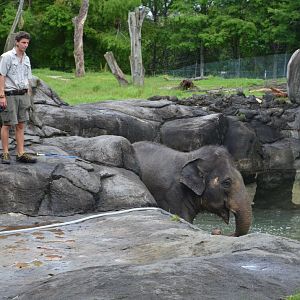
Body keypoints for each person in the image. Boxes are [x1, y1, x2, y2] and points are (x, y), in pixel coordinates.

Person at [0, 31, 37, 164]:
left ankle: (20, 153)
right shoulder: (7, 56)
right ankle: (5, 153)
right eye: (23, 42)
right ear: (17, 42)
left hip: (23, 94)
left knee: (21, 124)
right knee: (7, 124)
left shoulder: (26, 58)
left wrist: (29, 95)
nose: (26, 45)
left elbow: (28, 78)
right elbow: (1, 75)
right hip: (9, 95)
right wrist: (1, 96)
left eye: (27, 43)